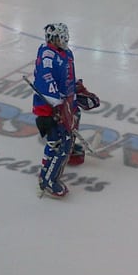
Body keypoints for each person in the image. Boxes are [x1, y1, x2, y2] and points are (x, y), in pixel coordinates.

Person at [29, 22, 89, 198]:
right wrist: (57, 104)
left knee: (75, 119)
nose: (65, 40)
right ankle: (47, 179)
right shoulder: (47, 54)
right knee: (59, 142)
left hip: (67, 101)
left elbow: (68, 75)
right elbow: (45, 80)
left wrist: (76, 87)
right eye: (61, 37)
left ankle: (69, 152)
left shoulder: (67, 53)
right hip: (50, 108)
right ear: (53, 38)